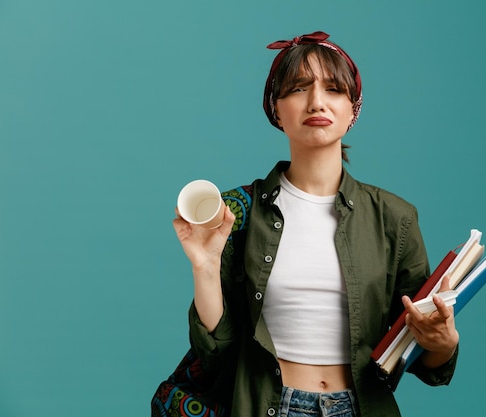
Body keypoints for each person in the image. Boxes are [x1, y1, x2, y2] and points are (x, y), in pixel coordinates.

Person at [172, 31, 459, 417]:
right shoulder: (234, 211)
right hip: (270, 407)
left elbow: (417, 352)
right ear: (276, 107)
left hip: (360, 406)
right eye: (298, 88)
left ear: (353, 108)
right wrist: (204, 268)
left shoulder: (394, 217)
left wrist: (442, 342)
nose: (316, 102)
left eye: (333, 89)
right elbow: (216, 353)